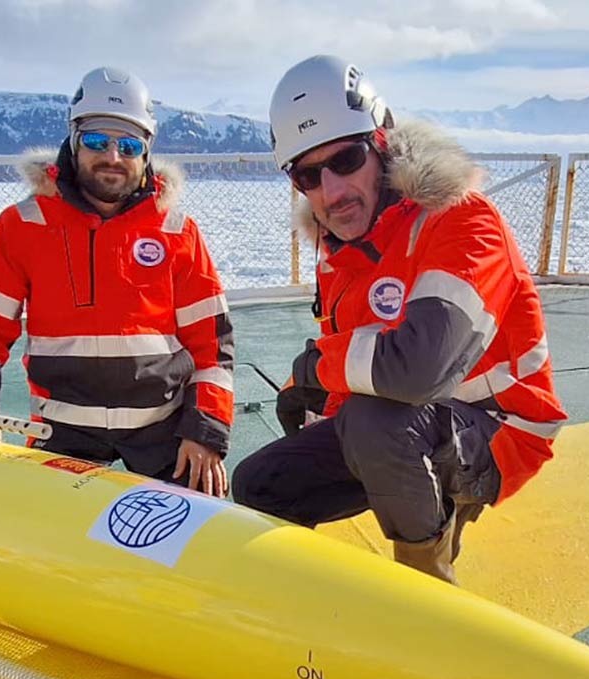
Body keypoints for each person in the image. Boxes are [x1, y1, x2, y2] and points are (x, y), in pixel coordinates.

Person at [232, 55, 566, 583]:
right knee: (259, 483)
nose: (331, 191)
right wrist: (311, 387)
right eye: (307, 175)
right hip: (405, 424)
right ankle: (293, 612)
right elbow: (361, 358)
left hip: (499, 430)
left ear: (382, 143)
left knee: (377, 423)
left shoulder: (461, 219)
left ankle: (429, 591)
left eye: (345, 160)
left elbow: (417, 370)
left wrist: (315, 368)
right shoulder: (343, 250)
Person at [0, 67, 234, 496]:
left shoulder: (176, 230)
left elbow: (213, 345)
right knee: (45, 544)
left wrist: (204, 430)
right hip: (62, 432)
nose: (113, 157)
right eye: (98, 141)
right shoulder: (23, 224)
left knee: (202, 538)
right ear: (74, 141)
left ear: (146, 152)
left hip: (163, 429)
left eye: (129, 145)